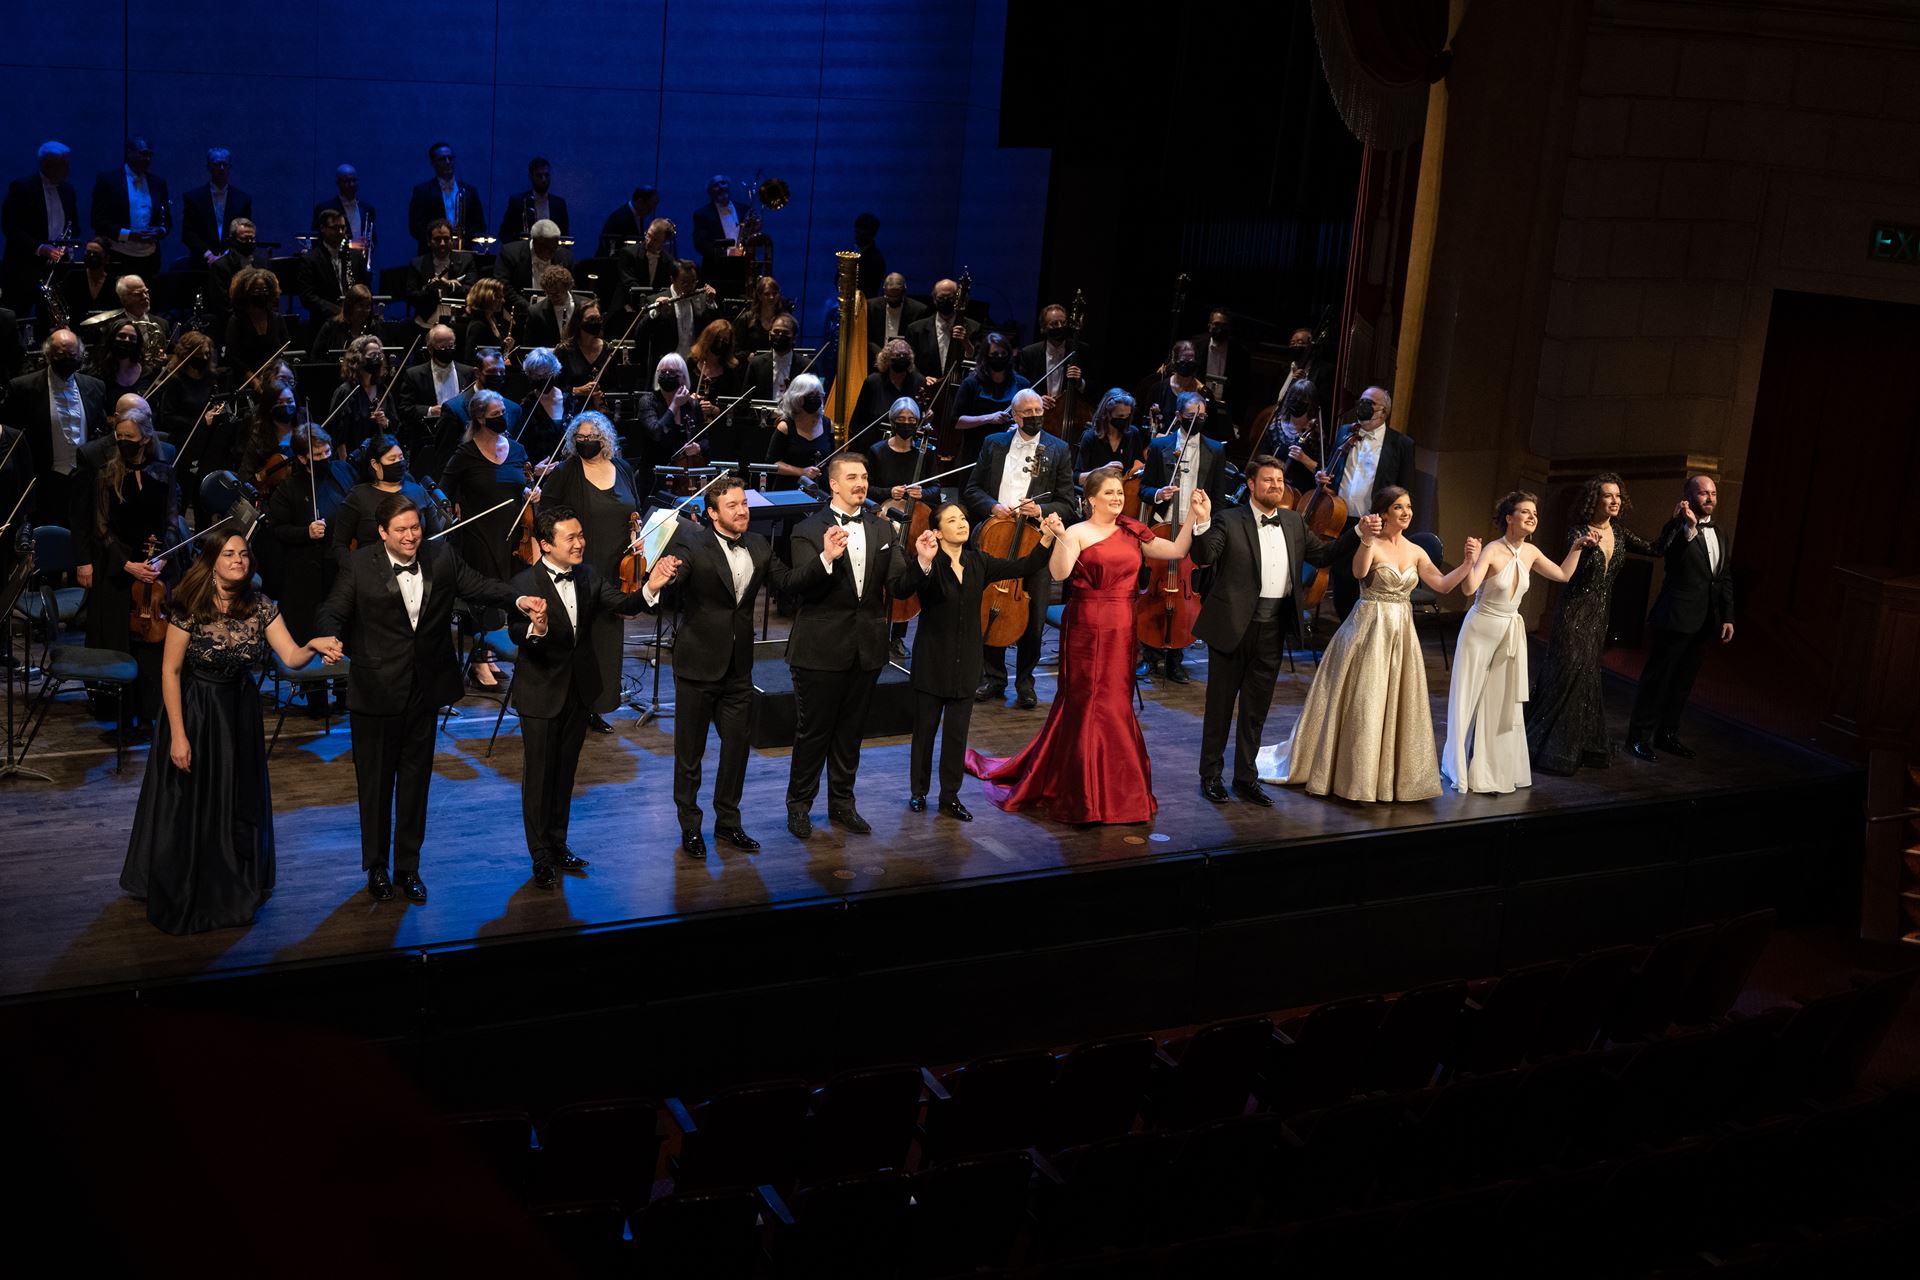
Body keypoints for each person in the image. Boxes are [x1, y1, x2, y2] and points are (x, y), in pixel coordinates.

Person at [311, 495, 542, 903]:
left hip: (425, 689)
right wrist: (330, 636)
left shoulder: (442, 556)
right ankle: (377, 868)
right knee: (376, 785)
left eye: (415, 527)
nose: (410, 535)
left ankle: (408, 868)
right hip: (376, 690)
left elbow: (480, 586)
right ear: (382, 533)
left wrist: (518, 599)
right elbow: (332, 609)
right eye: (400, 530)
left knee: (416, 785)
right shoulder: (360, 563)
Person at [966, 467, 1206, 824]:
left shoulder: (1131, 529)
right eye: (1109, 493)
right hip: (1086, 626)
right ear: (1091, 498)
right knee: (1086, 701)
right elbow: (1061, 574)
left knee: (1115, 699)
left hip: (1123, 625)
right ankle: (1083, 790)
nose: (1116, 498)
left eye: (1119, 493)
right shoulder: (1077, 531)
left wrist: (1192, 519)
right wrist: (1060, 538)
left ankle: (1115, 788)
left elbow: (1174, 550)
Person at [120, 531, 331, 934]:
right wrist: (178, 736)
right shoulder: (189, 604)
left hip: (239, 712)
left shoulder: (261, 607)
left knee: (237, 798)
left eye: (244, 554)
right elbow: (170, 671)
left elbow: (290, 656)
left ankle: (231, 881)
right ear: (212, 561)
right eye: (229, 554)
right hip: (197, 710)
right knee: (195, 801)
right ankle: (190, 884)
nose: (239, 561)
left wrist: (313, 646)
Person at [1257, 487, 1479, 802]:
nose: (1406, 512)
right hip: (1367, 629)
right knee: (1365, 703)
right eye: (1399, 507)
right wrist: (1364, 539)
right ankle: (1353, 777)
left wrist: (1469, 563)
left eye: (1409, 507)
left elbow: (1442, 585)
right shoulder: (1371, 543)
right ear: (1384, 512)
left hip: (1400, 633)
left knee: (1390, 703)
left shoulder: (1415, 550)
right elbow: (1359, 572)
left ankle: (1383, 778)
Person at [509, 506, 661, 887]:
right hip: (541, 694)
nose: (580, 543)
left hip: (577, 693)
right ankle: (540, 855)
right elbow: (515, 633)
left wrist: (652, 586)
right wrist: (538, 628)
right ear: (546, 544)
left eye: (581, 535)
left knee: (564, 776)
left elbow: (624, 605)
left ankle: (558, 845)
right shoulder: (524, 581)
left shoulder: (588, 575)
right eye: (571, 538)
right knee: (539, 778)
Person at [643, 474, 790, 857]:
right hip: (697, 667)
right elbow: (678, 582)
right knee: (689, 754)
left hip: (739, 667)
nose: (742, 511)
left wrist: (825, 558)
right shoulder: (694, 544)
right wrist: (661, 578)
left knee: (737, 749)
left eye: (744, 504)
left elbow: (788, 581)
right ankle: (690, 827)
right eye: (733, 506)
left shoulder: (759, 544)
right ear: (712, 513)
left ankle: (728, 822)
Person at [1190, 454, 1344, 804]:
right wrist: (1200, 522)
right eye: (1267, 481)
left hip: (1273, 628)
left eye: (1279, 481)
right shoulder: (1229, 519)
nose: (1275, 486)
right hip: (1233, 627)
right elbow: (1204, 555)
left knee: (1256, 711)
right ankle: (1210, 776)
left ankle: (1246, 777)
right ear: (1251, 485)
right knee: (1219, 709)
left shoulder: (1292, 522)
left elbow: (1321, 555)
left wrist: (1359, 537)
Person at [894, 501, 1062, 819]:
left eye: (963, 517)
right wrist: (923, 562)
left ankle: (950, 796)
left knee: (957, 735)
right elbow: (902, 590)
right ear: (937, 531)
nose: (961, 523)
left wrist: (1046, 538)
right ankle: (918, 792)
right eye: (952, 520)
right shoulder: (931, 563)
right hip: (932, 662)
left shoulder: (978, 561)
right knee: (925, 732)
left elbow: (1024, 567)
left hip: (966, 662)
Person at [1441, 491, 1596, 795]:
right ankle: (1456, 766)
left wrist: (1577, 547)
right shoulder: (1493, 551)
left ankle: (1489, 769)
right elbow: (1470, 588)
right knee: (1466, 698)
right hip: (1480, 629)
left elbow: (1563, 575)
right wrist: (1471, 559)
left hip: (1509, 631)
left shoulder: (1531, 553)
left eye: (1534, 513)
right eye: (1525, 512)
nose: (1531, 517)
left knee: (1500, 703)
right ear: (1509, 518)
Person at [782, 453, 905, 838]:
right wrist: (826, 557)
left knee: (851, 733)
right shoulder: (807, 529)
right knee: (814, 733)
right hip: (819, 647)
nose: (861, 483)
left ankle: (842, 805)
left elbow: (898, 586)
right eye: (852, 477)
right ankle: (799, 807)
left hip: (865, 646)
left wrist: (923, 563)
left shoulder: (883, 530)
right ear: (833, 484)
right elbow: (798, 584)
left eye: (865, 477)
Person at [1526, 473, 1659, 776]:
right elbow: (1567, 574)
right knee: (1567, 670)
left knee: (1586, 675)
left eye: (1618, 496)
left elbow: (1655, 548)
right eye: (1608, 496)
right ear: (1594, 500)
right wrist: (1582, 545)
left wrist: (1681, 523)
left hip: (1600, 615)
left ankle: (1578, 744)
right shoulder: (1578, 531)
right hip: (1573, 613)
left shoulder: (1622, 534)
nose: (1614, 501)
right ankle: (1549, 746)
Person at [964, 389, 1075, 708]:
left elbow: (1068, 503)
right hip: (996, 538)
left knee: (1035, 612)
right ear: (1014, 415)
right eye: (1027, 411)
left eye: (1039, 409)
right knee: (992, 606)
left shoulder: (1058, 449)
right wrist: (993, 506)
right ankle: (993, 677)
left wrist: (1039, 511)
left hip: (1034, 543)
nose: (1035, 415)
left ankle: (1025, 681)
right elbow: (972, 489)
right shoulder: (993, 444)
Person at [534, 411, 640, 733]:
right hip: (579, 565)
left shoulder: (622, 469)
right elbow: (546, 516)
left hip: (618, 568)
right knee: (580, 637)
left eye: (591, 437)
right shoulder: (567, 471)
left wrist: (637, 540)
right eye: (579, 438)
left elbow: (634, 511)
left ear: (605, 439)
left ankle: (598, 705)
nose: (585, 442)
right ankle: (572, 703)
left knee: (607, 639)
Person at [1625, 474, 1735, 762]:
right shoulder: (1675, 528)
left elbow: (1722, 578)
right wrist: (1688, 526)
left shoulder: (1721, 533)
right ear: (1688, 497)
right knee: (1657, 680)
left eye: (1713, 493)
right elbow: (1670, 557)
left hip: (1704, 622)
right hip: (1675, 617)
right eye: (1703, 494)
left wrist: (1727, 616)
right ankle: (1637, 737)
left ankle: (1667, 734)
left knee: (1683, 682)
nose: (1710, 498)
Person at [88, 399, 180, 730]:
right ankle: (124, 717)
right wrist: (128, 566)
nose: (123, 441)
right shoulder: (106, 474)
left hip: (157, 567)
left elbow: (172, 521)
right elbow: (100, 528)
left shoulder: (164, 472)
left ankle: (152, 715)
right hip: (120, 572)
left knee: (154, 644)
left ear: (144, 438)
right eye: (119, 436)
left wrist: (163, 557)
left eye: (129, 436)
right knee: (122, 642)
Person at [440, 388, 533, 689]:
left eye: (503, 413)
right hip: (478, 535)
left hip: (514, 536)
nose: (502, 419)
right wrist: (452, 513)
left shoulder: (517, 450)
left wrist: (531, 493)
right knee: (484, 598)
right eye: (495, 416)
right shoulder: (465, 454)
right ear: (479, 418)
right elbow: (443, 491)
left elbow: (523, 485)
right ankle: (478, 661)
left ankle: (490, 654)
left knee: (507, 594)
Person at [1137, 391, 1229, 683]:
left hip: (1194, 528)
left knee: (1185, 591)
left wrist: (1210, 526)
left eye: (1202, 416)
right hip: (1163, 526)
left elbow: (1218, 496)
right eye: (1192, 416)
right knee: (1155, 589)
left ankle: (1176, 657)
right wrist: (1158, 493)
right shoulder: (1160, 444)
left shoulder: (1215, 449)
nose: (1198, 421)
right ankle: (1150, 654)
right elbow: (1144, 489)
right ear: (1179, 416)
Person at [1315, 385, 1415, 620]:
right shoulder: (1345, 432)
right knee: (1342, 578)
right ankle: (1345, 632)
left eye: (1369, 402)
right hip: (1340, 518)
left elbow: (1405, 490)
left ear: (1383, 411)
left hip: (1375, 523)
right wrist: (1322, 477)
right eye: (1362, 400)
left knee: (1368, 580)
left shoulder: (1401, 444)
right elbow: (1332, 472)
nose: (1363, 405)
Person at [263, 424, 355, 653]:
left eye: (327, 452)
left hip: (341, 568)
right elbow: (276, 529)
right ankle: (314, 686)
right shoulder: (288, 489)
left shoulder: (342, 471)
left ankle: (344, 686)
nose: (325, 458)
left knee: (347, 632)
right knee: (311, 633)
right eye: (318, 455)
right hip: (307, 576)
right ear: (303, 459)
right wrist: (306, 532)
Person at [8, 328, 106, 528]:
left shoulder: (95, 386)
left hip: (84, 481)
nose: (68, 358)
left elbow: (100, 430)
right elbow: (12, 437)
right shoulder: (22, 388)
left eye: (73, 354)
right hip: (44, 481)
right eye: (61, 354)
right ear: (49, 355)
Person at [331, 434, 446, 562]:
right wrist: (354, 571)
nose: (399, 462)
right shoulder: (358, 496)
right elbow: (339, 544)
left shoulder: (417, 491)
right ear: (375, 464)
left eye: (401, 457)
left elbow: (435, 533)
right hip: (373, 571)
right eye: (392, 459)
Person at [2, 141, 79, 315]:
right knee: (19, 315)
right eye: (63, 164)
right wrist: (40, 248)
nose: (68, 169)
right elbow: (11, 228)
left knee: (50, 319)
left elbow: (75, 225)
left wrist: (67, 246)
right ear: (47, 164)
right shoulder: (21, 187)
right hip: (24, 267)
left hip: (55, 269)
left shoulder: (68, 190)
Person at [89, 137, 170, 271]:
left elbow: (166, 219)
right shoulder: (108, 181)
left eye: (150, 154)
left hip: (150, 258)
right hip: (118, 254)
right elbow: (98, 221)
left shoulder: (158, 183)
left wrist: (160, 231)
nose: (147, 159)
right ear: (129, 153)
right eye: (143, 154)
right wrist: (129, 235)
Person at [950, 331, 1028, 466]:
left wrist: (1018, 426)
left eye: (1003, 354)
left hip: (1011, 453)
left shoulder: (1022, 384)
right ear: (986, 356)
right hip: (976, 452)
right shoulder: (971, 383)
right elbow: (957, 421)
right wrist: (989, 418)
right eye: (994, 355)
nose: (1000, 358)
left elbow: (1029, 418)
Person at [395, 324, 474, 446]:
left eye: (451, 346)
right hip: (430, 438)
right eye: (443, 347)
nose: (448, 350)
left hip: (462, 438)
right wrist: (431, 410)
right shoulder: (414, 375)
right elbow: (405, 409)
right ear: (431, 349)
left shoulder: (468, 372)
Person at [407, 141, 485, 254]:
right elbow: (416, 227)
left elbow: (480, 225)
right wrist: (439, 241)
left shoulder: (470, 191)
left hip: (464, 253)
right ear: (433, 163)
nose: (448, 162)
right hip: (432, 254)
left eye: (450, 158)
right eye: (442, 159)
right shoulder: (422, 191)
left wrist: (462, 241)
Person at [179, 147, 251, 268]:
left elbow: (245, 233)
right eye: (217, 164)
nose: (222, 168)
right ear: (209, 167)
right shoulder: (193, 198)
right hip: (202, 263)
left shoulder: (243, 200)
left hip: (233, 263)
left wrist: (227, 255)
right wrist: (208, 255)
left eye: (225, 164)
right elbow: (188, 234)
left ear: (230, 168)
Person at [1016, 303, 1090, 419]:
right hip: (1038, 415)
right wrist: (1037, 399)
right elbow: (1021, 388)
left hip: (1071, 416)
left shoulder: (1081, 350)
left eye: (1063, 323)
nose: (1060, 326)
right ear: (1043, 328)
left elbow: (1094, 389)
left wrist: (1080, 382)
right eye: (1054, 324)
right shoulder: (1029, 353)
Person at [1144, 339, 1225, 442]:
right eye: (1182, 361)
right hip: (1160, 447)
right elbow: (1146, 423)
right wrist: (1155, 436)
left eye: (1191, 362)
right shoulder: (1157, 389)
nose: (1186, 365)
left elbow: (1211, 431)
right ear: (1174, 360)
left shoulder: (1204, 393)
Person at [406, 219, 478, 333]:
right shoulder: (417, 264)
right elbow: (410, 295)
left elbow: (473, 292)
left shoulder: (466, 260)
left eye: (446, 239)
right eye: (437, 239)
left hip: (458, 323)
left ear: (452, 240)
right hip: (426, 324)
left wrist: (449, 285)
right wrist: (430, 288)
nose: (442, 243)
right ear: (429, 242)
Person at [763, 373, 833, 490]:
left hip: (820, 489)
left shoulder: (828, 425)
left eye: (818, 395)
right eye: (811, 395)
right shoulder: (785, 427)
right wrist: (801, 471)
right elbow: (773, 464)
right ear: (797, 398)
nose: (816, 398)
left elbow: (832, 460)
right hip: (789, 488)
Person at [299, 209, 368, 326]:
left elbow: (365, 287)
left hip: (355, 321)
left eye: (343, 227)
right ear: (323, 228)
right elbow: (307, 296)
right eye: (335, 228)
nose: (341, 232)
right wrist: (338, 311)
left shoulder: (356, 257)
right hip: (324, 323)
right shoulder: (311, 259)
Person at [325, 333, 396, 448]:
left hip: (380, 453)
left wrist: (385, 422)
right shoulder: (346, 392)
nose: (377, 359)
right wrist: (345, 464)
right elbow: (338, 433)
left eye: (379, 355)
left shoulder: (382, 389)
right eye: (373, 355)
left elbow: (394, 424)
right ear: (358, 358)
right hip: (354, 456)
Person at [906, 278, 979, 387]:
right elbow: (909, 362)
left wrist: (966, 342)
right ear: (934, 299)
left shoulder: (973, 328)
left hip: (959, 391)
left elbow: (979, 362)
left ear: (958, 298)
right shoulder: (916, 329)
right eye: (941, 297)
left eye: (950, 297)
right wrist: (921, 378)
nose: (945, 300)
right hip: (926, 389)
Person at [204, 217, 269, 333]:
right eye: (244, 239)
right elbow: (222, 305)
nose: (249, 242)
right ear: (233, 240)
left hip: (262, 322)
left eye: (252, 239)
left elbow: (271, 297)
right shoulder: (220, 266)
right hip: (233, 326)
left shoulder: (262, 263)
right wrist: (248, 322)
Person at [853, 338, 932, 433]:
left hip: (907, 440)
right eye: (898, 355)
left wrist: (928, 416)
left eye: (905, 355)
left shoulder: (919, 381)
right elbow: (858, 418)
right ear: (887, 358)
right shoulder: (873, 382)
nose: (902, 357)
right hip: (876, 439)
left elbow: (923, 416)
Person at [222, 266, 290, 376]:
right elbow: (232, 357)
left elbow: (285, 348)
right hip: (245, 379)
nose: (262, 294)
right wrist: (254, 381)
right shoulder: (236, 321)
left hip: (273, 377)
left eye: (265, 290)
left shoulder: (277, 319)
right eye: (256, 291)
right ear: (245, 293)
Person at [647, 258, 719, 360]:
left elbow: (715, 329)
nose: (690, 287)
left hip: (694, 363)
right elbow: (641, 334)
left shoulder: (703, 299)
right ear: (672, 279)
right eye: (685, 283)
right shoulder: (655, 300)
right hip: (667, 365)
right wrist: (656, 310)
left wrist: (711, 302)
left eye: (693, 282)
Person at [1074, 389, 1147, 485]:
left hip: (1125, 492)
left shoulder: (1133, 433)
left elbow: (1140, 468)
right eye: (1120, 416)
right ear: (1106, 414)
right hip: (1097, 491)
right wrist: (1102, 472)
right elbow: (1076, 477)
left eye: (1127, 416)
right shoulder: (1090, 437)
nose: (1124, 420)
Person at [498, 156, 569, 242]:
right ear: (531, 177)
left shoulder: (559, 204)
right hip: (524, 252)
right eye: (539, 175)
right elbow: (505, 234)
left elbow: (564, 236)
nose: (543, 179)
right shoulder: (518, 202)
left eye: (546, 175)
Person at [494, 218, 573, 294]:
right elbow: (504, 286)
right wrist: (530, 307)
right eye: (545, 248)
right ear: (535, 241)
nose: (549, 253)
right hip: (520, 305)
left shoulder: (564, 256)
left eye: (554, 248)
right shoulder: (510, 253)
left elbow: (570, 288)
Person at [617, 216, 677, 305]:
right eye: (648, 235)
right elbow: (629, 284)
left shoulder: (669, 261)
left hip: (655, 307)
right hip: (627, 306)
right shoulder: (628, 253)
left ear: (664, 242)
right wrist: (650, 301)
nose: (649, 241)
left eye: (655, 240)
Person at [746, 311, 802, 405]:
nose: (779, 336)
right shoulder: (757, 364)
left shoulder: (806, 366)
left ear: (794, 338)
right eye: (776, 331)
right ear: (769, 335)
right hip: (763, 418)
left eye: (785, 333)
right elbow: (747, 400)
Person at [313, 163, 374, 250]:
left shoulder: (367, 209)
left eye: (354, 180)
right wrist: (349, 244)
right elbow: (319, 240)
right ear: (338, 183)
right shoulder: (324, 209)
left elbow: (373, 238)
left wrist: (369, 244)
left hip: (360, 262)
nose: (351, 184)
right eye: (347, 181)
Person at [460, 276, 519, 365]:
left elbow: (492, 351)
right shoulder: (477, 326)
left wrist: (505, 347)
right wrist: (500, 363)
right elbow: (470, 361)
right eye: (498, 297)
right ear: (486, 298)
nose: (503, 300)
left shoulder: (493, 320)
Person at [524, 265, 586, 350]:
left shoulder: (586, 306)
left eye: (556, 294)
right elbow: (529, 347)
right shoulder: (535, 312)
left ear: (567, 287)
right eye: (549, 293)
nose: (552, 298)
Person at [90, 319, 152, 399]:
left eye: (132, 338)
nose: (127, 340)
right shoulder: (97, 374)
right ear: (111, 338)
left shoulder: (146, 373)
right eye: (122, 336)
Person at [690, 176, 742, 267]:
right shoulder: (702, 214)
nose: (721, 187)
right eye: (716, 185)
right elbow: (700, 244)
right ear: (710, 192)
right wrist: (727, 253)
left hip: (743, 264)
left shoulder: (744, 209)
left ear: (728, 186)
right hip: (716, 267)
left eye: (723, 183)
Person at [599, 185, 660, 258]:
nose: (651, 211)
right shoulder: (620, 218)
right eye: (650, 207)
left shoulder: (637, 214)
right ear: (640, 202)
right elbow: (613, 249)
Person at [872, 272, 928, 347]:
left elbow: (920, 341)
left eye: (897, 297)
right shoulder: (871, 306)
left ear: (904, 291)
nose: (893, 300)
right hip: (877, 356)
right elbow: (868, 338)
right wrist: (879, 354)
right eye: (889, 296)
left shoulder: (919, 310)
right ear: (884, 290)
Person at [736, 275, 788, 353]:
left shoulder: (784, 320)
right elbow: (735, 349)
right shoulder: (746, 319)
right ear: (759, 296)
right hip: (751, 364)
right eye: (767, 294)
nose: (771, 297)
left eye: (774, 293)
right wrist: (747, 356)